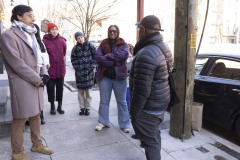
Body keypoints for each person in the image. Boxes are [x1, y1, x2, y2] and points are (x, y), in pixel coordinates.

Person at [0, 5, 54, 160]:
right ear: (18, 16)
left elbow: (39, 57)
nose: (34, 19)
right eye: (30, 16)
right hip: (22, 82)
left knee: (36, 114)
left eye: (33, 16)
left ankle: (37, 144)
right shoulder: (8, 35)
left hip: (36, 80)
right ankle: (17, 152)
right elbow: (16, 63)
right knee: (20, 119)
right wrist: (38, 79)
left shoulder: (31, 33)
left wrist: (44, 73)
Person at [129, 15, 173, 160]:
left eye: (139, 28)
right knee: (154, 135)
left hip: (150, 105)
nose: (138, 31)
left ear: (143, 30)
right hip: (160, 102)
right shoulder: (163, 46)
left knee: (150, 142)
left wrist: (134, 112)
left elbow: (142, 90)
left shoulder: (147, 52)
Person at [94, 25, 130, 133]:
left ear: (118, 32)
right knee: (104, 101)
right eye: (110, 31)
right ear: (108, 32)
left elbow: (123, 57)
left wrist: (108, 56)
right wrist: (114, 62)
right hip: (105, 77)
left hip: (120, 78)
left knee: (122, 102)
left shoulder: (123, 44)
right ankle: (103, 122)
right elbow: (98, 58)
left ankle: (124, 124)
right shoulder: (103, 43)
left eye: (114, 31)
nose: (112, 33)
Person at [42, 22, 67, 115]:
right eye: (52, 29)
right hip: (50, 69)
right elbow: (43, 54)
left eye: (56, 29)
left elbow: (64, 53)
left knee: (60, 88)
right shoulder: (44, 41)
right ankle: (52, 105)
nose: (54, 31)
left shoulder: (62, 40)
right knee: (50, 89)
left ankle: (60, 106)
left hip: (60, 68)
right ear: (49, 31)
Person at [70, 31, 96, 116]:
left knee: (88, 93)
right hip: (79, 74)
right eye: (78, 38)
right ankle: (82, 108)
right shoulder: (75, 49)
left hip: (89, 73)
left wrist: (91, 67)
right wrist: (77, 69)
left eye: (81, 37)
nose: (80, 39)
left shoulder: (91, 46)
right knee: (80, 93)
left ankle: (87, 108)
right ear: (76, 39)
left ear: (83, 37)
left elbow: (95, 57)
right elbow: (73, 60)